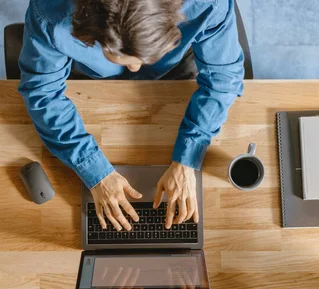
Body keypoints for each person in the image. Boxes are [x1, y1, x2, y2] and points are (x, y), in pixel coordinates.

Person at [18, 0, 245, 232]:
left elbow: (223, 80)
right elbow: (42, 92)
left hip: (175, 68)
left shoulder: (206, 4)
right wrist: (94, 171)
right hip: (93, 79)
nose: (135, 69)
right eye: (117, 56)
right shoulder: (51, 11)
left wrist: (188, 158)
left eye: (141, 60)